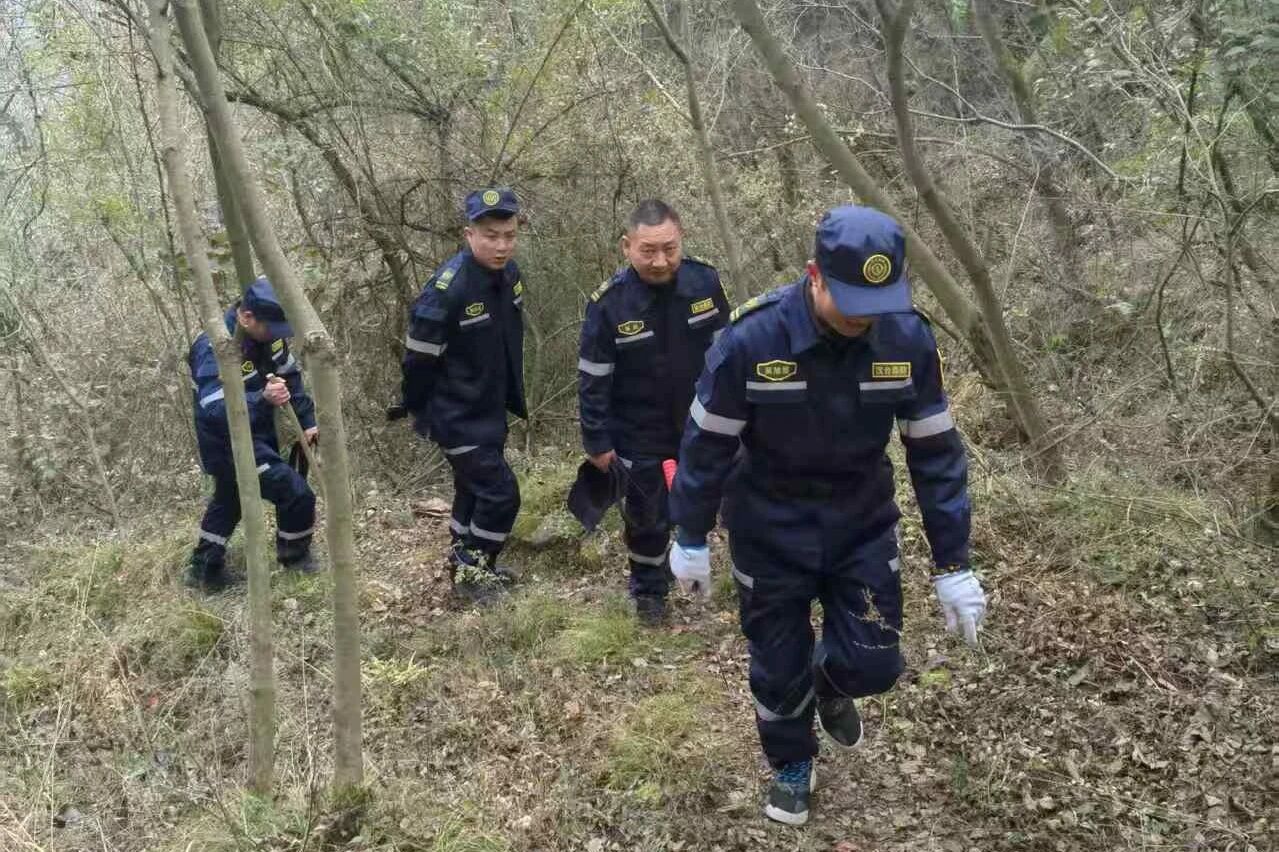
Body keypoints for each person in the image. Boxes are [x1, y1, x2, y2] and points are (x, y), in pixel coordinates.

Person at [668, 205, 988, 826]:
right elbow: (706, 446)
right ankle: (792, 762)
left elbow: (935, 455)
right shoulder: (752, 340)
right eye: (851, 301)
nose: (864, 317)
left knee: (875, 661)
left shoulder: (907, 339)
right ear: (814, 275)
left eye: (879, 302)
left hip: (860, 524)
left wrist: (953, 563)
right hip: (768, 527)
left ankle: (833, 685)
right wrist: (690, 533)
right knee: (778, 661)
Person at [577, 200, 732, 625]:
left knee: (720, 502)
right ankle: (650, 594)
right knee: (647, 518)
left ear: (682, 241)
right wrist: (596, 440)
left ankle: (734, 579)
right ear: (627, 246)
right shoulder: (609, 304)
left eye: (669, 248)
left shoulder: (705, 282)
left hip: (702, 423)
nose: (660, 261)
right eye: (648, 251)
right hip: (637, 430)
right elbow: (593, 378)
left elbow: (730, 356)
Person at [391, 188, 527, 600]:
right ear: (469, 235)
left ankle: (464, 564)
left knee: (473, 490)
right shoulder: (446, 290)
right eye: (491, 236)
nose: (501, 245)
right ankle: (474, 575)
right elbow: (418, 361)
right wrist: (422, 410)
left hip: (490, 408)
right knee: (501, 494)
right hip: (456, 415)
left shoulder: (510, 276)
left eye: (509, 235)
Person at [188, 277, 319, 591]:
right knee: (296, 492)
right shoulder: (213, 347)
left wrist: (308, 421)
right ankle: (295, 562)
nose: (279, 335)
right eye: (273, 328)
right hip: (227, 443)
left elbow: (289, 378)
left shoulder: (270, 337)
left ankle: (203, 571)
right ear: (247, 318)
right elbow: (214, 408)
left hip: (258, 432)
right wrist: (262, 398)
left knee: (229, 499)